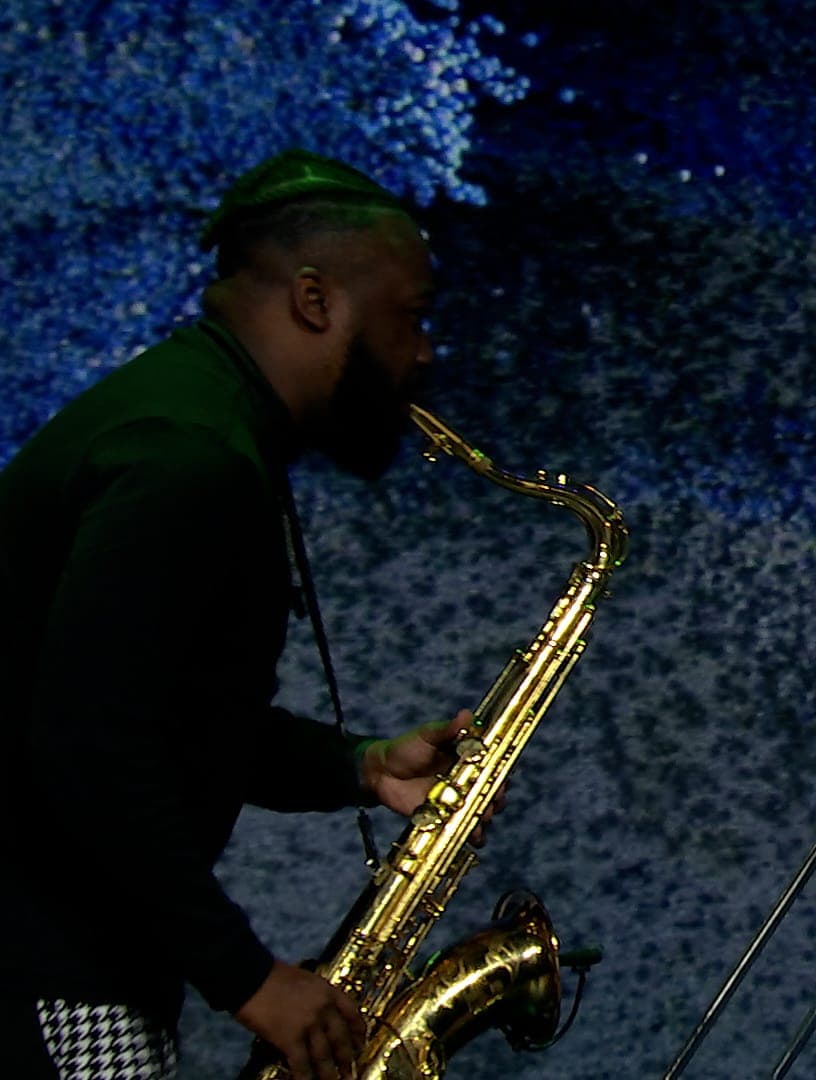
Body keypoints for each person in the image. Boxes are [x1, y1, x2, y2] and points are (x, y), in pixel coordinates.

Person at [0, 150, 479, 1080]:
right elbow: (87, 743)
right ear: (314, 299)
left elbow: (162, 711)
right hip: (53, 978)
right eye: (411, 315)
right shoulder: (188, 459)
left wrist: (361, 765)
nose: (422, 352)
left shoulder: (195, 420)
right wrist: (248, 978)